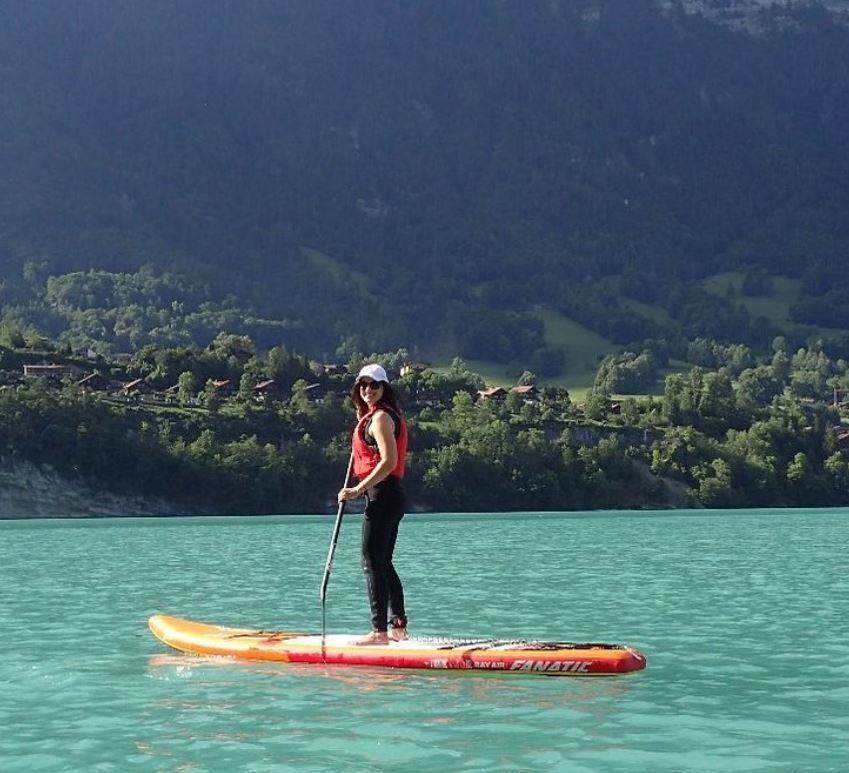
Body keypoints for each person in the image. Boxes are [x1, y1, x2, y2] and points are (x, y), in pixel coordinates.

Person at [337, 363, 409, 645]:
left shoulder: (380, 418)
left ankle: (379, 633)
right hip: (389, 496)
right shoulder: (378, 416)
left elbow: (389, 461)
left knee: (371, 561)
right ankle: (398, 628)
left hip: (382, 494)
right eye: (363, 385)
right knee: (383, 562)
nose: (368, 390)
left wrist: (358, 489)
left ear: (384, 388)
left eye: (374, 385)